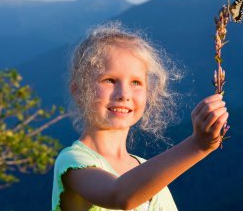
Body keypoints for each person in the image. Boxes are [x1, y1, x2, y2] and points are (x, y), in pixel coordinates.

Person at [51, 22, 229, 210]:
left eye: (136, 82)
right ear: (78, 91)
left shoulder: (146, 171)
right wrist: (197, 146)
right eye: (109, 80)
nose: (124, 94)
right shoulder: (73, 161)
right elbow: (119, 196)